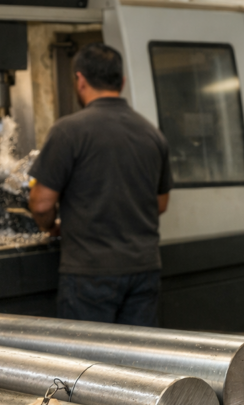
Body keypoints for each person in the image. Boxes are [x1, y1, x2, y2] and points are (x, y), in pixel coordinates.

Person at [29, 43, 171, 326]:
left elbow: (41, 202)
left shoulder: (68, 131)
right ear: (122, 81)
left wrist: (50, 227)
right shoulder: (152, 133)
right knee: (139, 362)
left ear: (80, 80)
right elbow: (161, 203)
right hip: (143, 270)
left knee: (86, 364)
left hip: (89, 274)